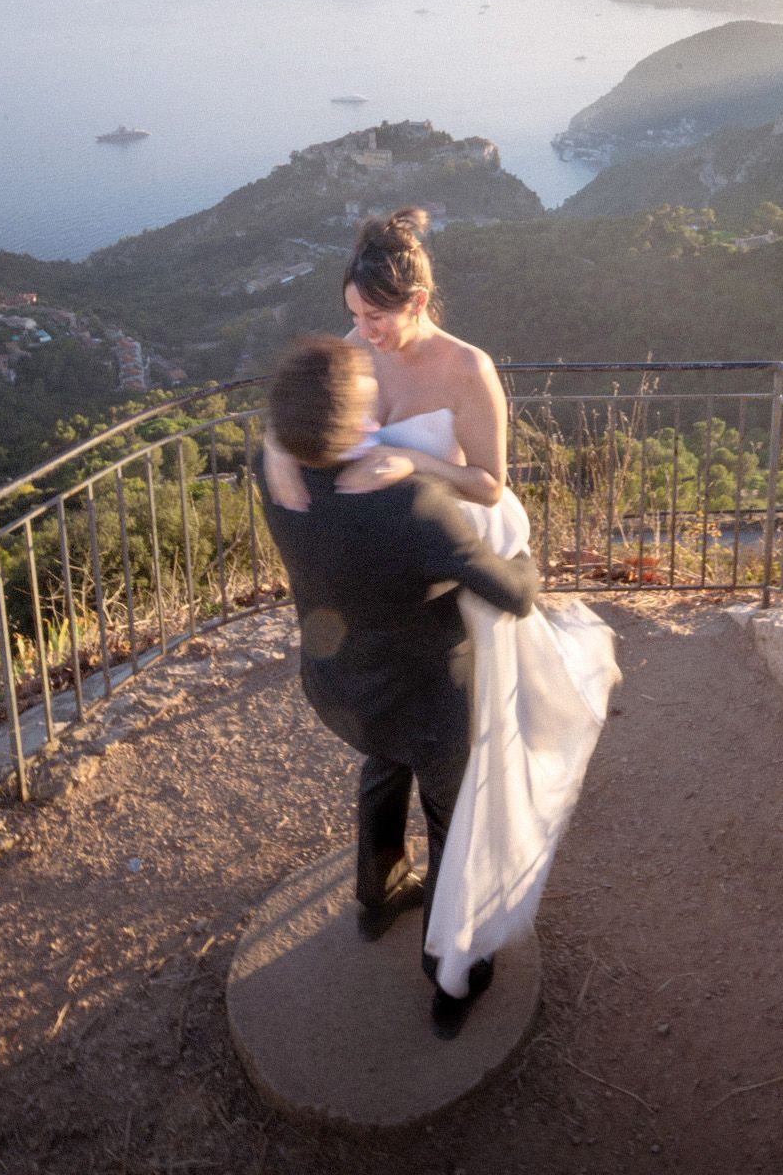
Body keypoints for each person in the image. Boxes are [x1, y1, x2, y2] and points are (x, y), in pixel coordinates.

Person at [263, 208, 620, 999]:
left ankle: (400, 906)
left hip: (440, 553)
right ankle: (421, 927)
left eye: (375, 317)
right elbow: (300, 413)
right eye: (352, 316)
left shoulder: (467, 369)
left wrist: (402, 464)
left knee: (398, 751)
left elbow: (489, 483)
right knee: (424, 763)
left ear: (418, 301)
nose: (361, 333)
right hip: (401, 574)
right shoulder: (352, 357)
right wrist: (275, 450)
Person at [255, 332, 539, 1036]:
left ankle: (377, 894)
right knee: (451, 823)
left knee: (382, 769)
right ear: (357, 425)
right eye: (366, 405)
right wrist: (526, 556)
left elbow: (273, 436)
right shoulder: (406, 503)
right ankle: (452, 979)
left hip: (339, 690)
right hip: (427, 703)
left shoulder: (275, 472)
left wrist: (274, 442)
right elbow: (512, 595)